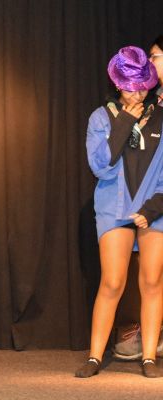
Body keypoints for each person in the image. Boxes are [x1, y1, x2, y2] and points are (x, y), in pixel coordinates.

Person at [75, 46, 163, 378]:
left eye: (143, 87)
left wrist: (153, 208)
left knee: (153, 280)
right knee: (112, 282)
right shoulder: (101, 117)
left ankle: (149, 357)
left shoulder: (160, 116)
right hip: (114, 207)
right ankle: (95, 356)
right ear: (117, 84)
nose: (137, 94)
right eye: (131, 88)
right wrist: (126, 120)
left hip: (154, 207)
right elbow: (100, 166)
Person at [111, 36, 163, 361]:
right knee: (151, 274)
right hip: (154, 203)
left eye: (155, 57)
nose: (150, 62)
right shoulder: (153, 104)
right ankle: (152, 333)